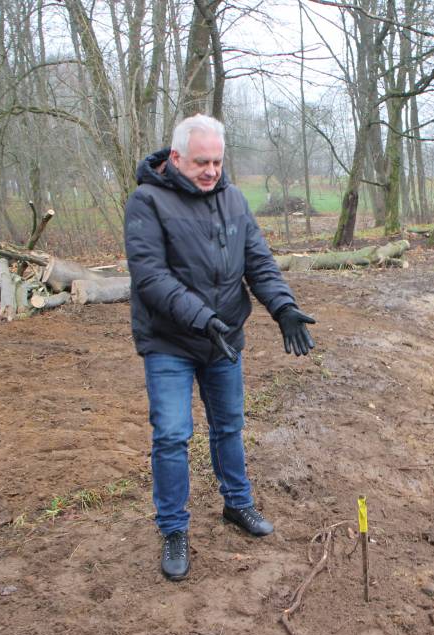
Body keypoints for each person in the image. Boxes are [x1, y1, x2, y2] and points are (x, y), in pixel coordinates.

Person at [124, 114, 316, 581]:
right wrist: (200, 318)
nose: (211, 171)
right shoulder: (147, 202)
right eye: (200, 162)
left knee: (229, 425)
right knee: (171, 435)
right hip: (171, 341)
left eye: (217, 161)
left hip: (224, 338)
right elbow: (150, 277)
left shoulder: (231, 200)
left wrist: (283, 307)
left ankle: (238, 504)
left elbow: (258, 260)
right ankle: (173, 528)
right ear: (175, 158)